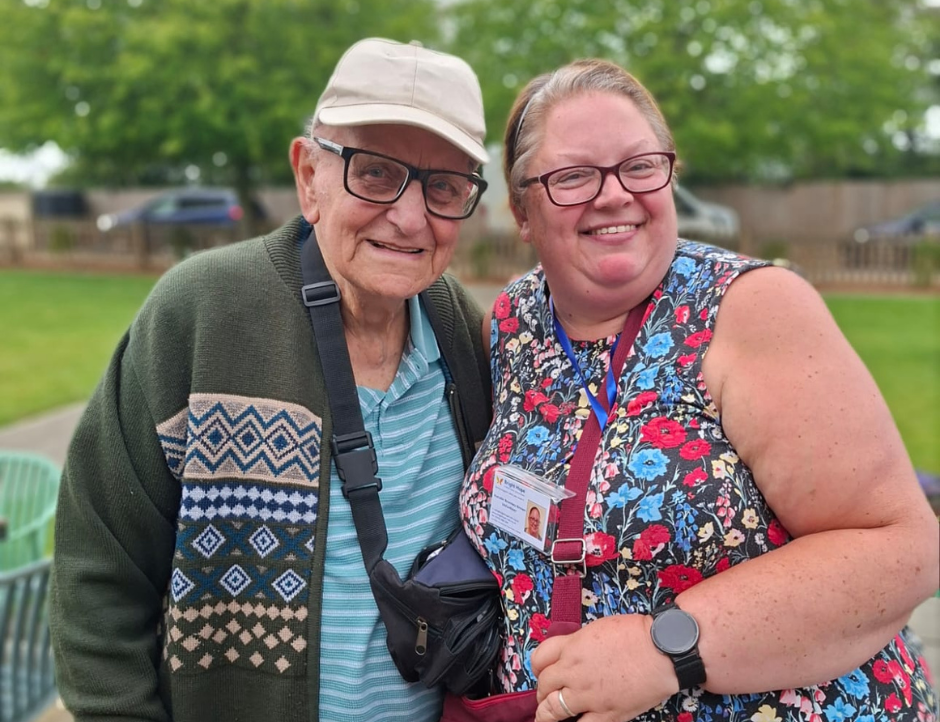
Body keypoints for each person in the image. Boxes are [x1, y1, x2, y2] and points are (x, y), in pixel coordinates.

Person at [459, 58, 940, 722]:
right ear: (520, 210)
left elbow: (900, 547)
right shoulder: (510, 328)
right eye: (573, 177)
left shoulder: (750, 309)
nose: (614, 194)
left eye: (640, 165)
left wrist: (668, 648)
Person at [50, 38, 494, 722]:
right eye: (375, 172)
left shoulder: (463, 331)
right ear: (308, 175)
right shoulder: (200, 313)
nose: (410, 216)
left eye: (444, 187)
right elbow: (98, 568)